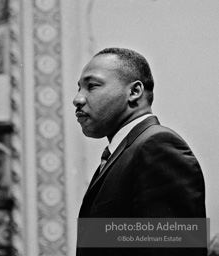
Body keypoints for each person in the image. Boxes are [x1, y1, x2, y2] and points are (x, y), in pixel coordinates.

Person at [73, 48, 206, 255]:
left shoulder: (157, 146)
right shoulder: (125, 153)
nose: (78, 99)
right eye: (79, 88)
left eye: (92, 86)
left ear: (134, 92)